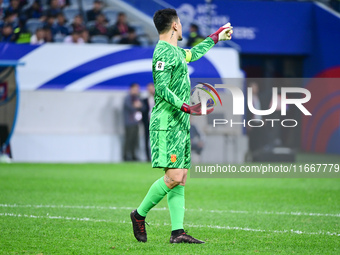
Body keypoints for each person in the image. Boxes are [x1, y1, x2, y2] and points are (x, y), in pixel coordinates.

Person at [130, 8, 233, 244]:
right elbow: (162, 89)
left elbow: (194, 54)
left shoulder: (175, 52)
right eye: (181, 23)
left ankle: (177, 233)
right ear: (175, 25)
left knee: (181, 176)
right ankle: (139, 214)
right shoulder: (163, 53)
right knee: (175, 175)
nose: (182, 26)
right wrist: (187, 107)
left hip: (179, 121)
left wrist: (216, 36)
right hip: (167, 122)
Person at [123, 83, 144, 161]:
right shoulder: (127, 98)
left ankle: (133, 155)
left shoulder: (138, 98)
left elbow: (143, 107)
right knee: (129, 139)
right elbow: (130, 107)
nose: (136, 91)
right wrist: (136, 105)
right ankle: (125, 156)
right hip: (129, 122)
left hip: (136, 122)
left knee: (135, 140)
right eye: (135, 89)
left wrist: (139, 105)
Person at [141, 83, 155, 162]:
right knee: (146, 139)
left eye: (151, 88)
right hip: (147, 122)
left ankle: (156, 157)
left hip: (156, 122)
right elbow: (143, 111)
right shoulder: (144, 99)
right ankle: (147, 158)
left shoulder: (158, 98)